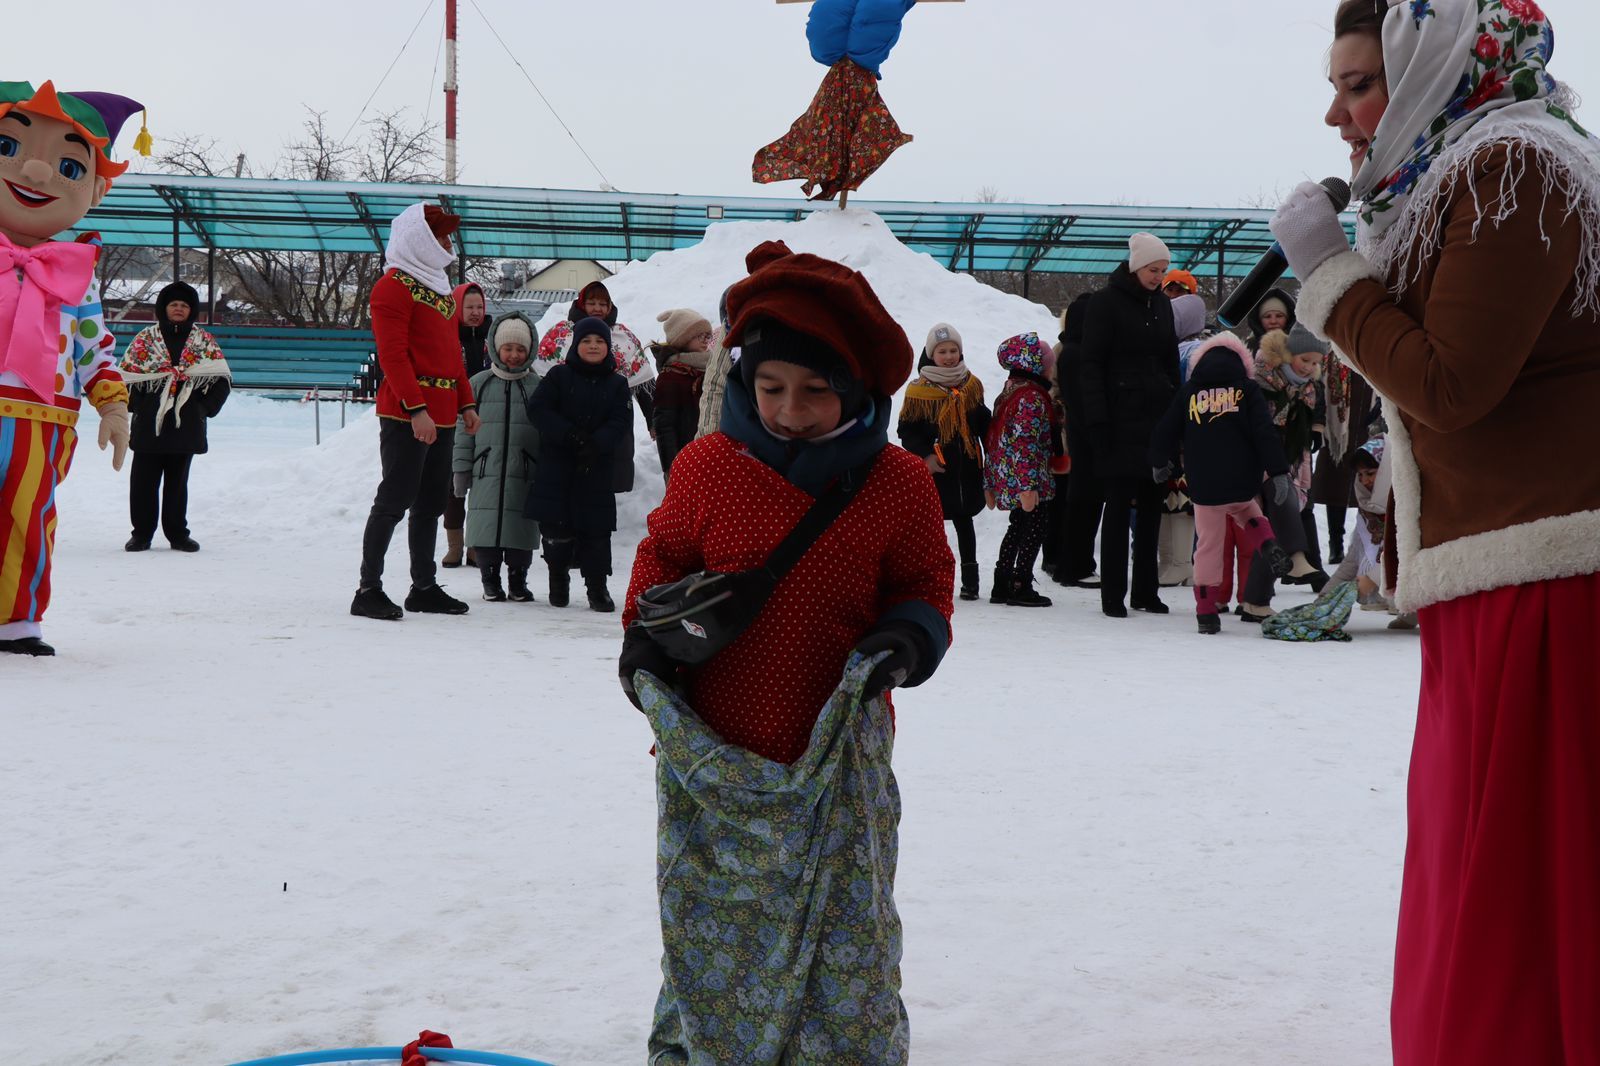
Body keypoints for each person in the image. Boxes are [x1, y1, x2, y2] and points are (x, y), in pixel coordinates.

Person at [1272, 2, 1600, 1060]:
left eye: (1359, 83)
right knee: (1494, 880)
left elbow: (1452, 385)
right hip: (1498, 576)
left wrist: (1329, 280)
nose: (1337, 112)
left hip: (1551, 587)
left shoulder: (1518, 168)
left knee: (1521, 890)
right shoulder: (1465, 170)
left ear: (1434, 70)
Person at [619, 239, 952, 1065]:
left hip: (834, 762)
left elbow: (925, 579)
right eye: (769, 387)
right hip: (714, 756)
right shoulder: (706, 467)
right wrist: (643, 646)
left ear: (859, 392)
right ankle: (709, 1038)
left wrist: (907, 636)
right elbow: (662, 561)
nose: (789, 411)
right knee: (712, 917)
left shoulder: (899, 483)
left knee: (847, 922)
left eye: (815, 392)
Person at [0, 81, 136, 657]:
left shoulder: (75, 278)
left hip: (41, 416)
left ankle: (15, 621)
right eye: (9, 147)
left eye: (69, 167)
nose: (34, 170)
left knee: (28, 519)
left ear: (97, 189)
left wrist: (112, 405)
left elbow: (92, 348)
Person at [351, 202, 481, 621]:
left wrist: (466, 402)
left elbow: (452, 356)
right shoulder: (392, 287)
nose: (447, 242)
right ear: (418, 240)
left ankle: (423, 586)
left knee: (429, 504)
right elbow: (392, 355)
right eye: (439, 235)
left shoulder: (440, 289)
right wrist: (416, 409)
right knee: (394, 499)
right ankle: (368, 588)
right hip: (408, 412)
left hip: (442, 411)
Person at [1149, 333, 1296, 634]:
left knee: (1209, 545)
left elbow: (1166, 428)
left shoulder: (1190, 392)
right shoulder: (1248, 390)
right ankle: (1267, 544)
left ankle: (1206, 611)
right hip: (1242, 476)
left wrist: (1159, 460)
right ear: (1241, 363)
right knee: (1248, 511)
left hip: (1205, 482)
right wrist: (1279, 471)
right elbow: (1264, 432)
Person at [1080, 232, 1180, 617]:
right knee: (1119, 508)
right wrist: (1097, 422)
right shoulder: (1104, 304)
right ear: (1137, 267)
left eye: (1163, 270)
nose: (1159, 277)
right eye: (1154, 270)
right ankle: (1113, 595)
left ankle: (1145, 591)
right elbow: (1092, 366)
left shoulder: (1162, 306)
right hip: (1119, 420)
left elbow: (1170, 359)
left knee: (1153, 506)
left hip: (1156, 419)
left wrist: (1176, 411)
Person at [525, 317, 631, 612]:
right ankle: (558, 581)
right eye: (586, 341)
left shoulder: (618, 383)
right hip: (557, 467)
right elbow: (538, 409)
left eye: (599, 341)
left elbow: (621, 420)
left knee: (596, 533)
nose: (593, 346)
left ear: (608, 347)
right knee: (556, 532)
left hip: (595, 468)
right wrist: (569, 434)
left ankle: (597, 587)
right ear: (576, 345)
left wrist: (596, 443)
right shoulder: (559, 376)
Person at [118, 281, 231, 553]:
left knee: (177, 484)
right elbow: (125, 379)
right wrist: (142, 405)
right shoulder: (146, 340)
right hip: (149, 426)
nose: (178, 309)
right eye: (173, 304)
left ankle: (178, 534)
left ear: (190, 310)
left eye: (184, 305)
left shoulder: (203, 342)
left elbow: (222, 380)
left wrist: (201, 409)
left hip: (186, 425)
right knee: (143, 481)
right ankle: (141, 534)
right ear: (164, 308)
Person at [452, 312, 542, 603]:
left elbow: (546, 431)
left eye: (520, 349)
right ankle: (489, 579)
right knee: (486, 527)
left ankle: (518, 580)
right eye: (508, 348)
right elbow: (464, 430)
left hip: (525, 470)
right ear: (495, 348)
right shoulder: (479, 383)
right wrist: (462, 469)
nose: (514, 355)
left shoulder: (537, 387)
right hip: (484, 470)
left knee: (521, 528)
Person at [897, 323, 990, 601]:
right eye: (942, 351)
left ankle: (970, 582)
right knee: (932, 530)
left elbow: (981, 423)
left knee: (965, 523)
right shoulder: (918, 391)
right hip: (937, 471)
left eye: (953, 350)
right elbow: (907, 431)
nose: (949, 356)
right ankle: (928, 579)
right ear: (931, 354)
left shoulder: (971, 384)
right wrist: (925, 457)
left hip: (967, 469)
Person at [983, 332, 1060, 607]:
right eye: (1049, 364)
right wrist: (1028, 486)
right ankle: (1020, 582)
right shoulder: (1031, 398)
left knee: (1017, 527)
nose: (1052, 369)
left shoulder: (1011, 389)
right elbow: (1024, 443)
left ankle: (1002, 582)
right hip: (1029, 480)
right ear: (1037, 366)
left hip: (1012, 475)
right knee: (1034, 528)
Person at [441, 281, 491, 569]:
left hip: (486, 418)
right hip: (455, 417)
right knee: (454, 483)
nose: (475, 312)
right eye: (469, 307)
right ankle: (454, 546)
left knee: (482, 485)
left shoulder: (492, 337)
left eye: (479, 307)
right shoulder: (447, 336)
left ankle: (475, 545)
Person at [1054, 293, 1102, 588]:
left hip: (1083, 437)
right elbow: (1079, 400)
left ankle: (1073, 564)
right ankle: (1075, 565)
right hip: (1084, 439)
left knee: (1085, 502)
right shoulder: (1075, 352)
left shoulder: (1078, 350)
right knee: (1083, 502)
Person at [647, 306, 713, 478]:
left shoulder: (711, 367)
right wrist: (672, 466)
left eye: (708, 335)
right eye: (700, 335)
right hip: (685, 459)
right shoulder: (670, 377)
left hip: (710, 452)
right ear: (682, 338)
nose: (706, 340)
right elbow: (664, 425)